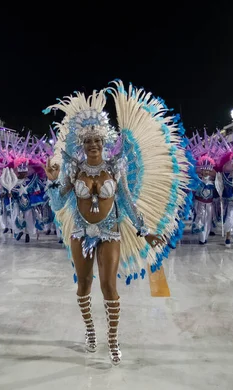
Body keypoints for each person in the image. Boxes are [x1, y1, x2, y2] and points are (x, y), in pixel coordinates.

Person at [43, 81, 192, 365]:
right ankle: (90, 331)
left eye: (98, 140)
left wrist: (144, 231)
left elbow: (125, 201)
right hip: (80, 232)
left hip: (110, 232)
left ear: (105, 141)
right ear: (82, 144)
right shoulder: (73, 169)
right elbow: (60, 203)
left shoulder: (114, 167)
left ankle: (113, 339)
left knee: (109, 286)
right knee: (84, 284)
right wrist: (53, 181)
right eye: (88, 141)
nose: (94, 145)